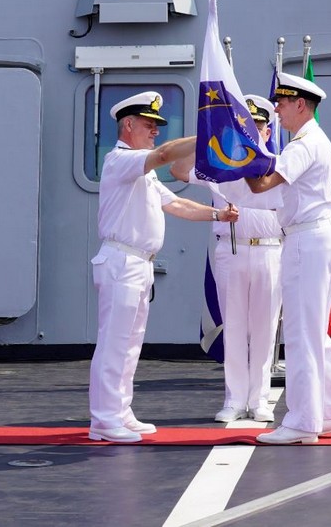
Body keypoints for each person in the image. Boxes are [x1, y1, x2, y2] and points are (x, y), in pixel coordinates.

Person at [89, 90, 239, 443]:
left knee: (130, 346)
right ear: (128, 125)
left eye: (157, 125)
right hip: (122, 261)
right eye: (149, 124)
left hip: (138, 264)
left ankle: (120, 412)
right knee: (114, 343)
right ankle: (104, 420)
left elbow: (177, 205)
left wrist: (218, 214)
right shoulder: (120, 160)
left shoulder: (141, 170)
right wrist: (209, 133)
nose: (156, 130)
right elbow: (165, 154)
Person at [245, 72, 331, 445]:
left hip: (307, 240)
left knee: (301, 332)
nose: (277, 110)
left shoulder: (302, 145)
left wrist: (240, 152)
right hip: (317, 235)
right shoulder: (314, 139)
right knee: (314, 331)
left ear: (300, 104)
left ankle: (303, 422)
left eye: (282, 103)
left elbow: (261, 184)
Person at [172, 95, 284, 424]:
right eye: (243, 126)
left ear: (267, 132)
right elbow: (177, 169)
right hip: (231, 249)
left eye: (257, 126)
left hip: (269, 250)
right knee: (233, 326)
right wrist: (206, 137)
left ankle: (259, 399)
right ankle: (234, 399)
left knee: (265, 328)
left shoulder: (279, 164)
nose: (250, 132)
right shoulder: (219, 163)